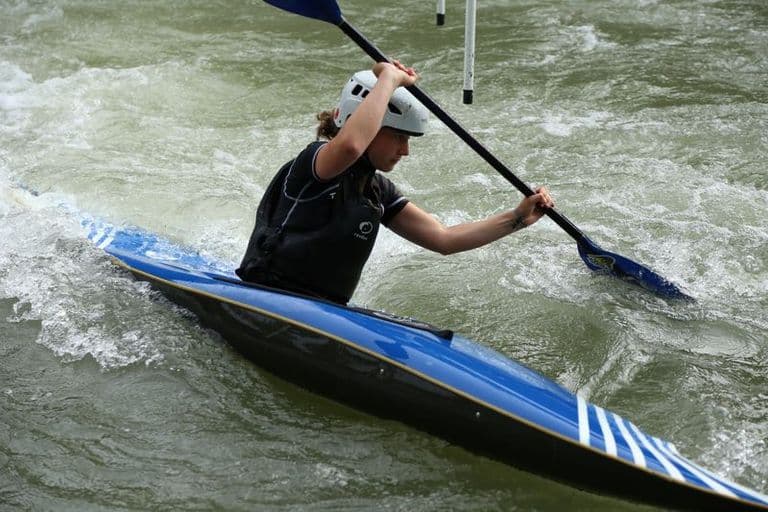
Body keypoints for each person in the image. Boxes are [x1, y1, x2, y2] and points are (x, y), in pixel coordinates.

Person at [236, 61, 554, 305]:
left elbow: (444, 239)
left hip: (325, 311)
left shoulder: (377, 191)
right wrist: (387, 77)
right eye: (399, 137)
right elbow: (349, 147)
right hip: (267, 295)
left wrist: (518, 218)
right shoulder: (315, 163)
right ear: (365, 120)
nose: (405, 150)